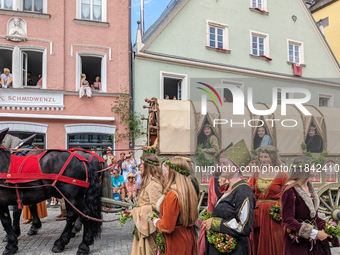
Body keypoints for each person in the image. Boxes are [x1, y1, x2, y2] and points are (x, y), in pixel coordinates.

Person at [202, 140, 255, 255]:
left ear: (236, 168)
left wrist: (215, 223)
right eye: (221, 164)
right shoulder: (229, 189)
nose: (221, 167)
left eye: (225, 164)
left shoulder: (243, 191)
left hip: (234, 250)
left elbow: (243, 227)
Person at [281, 156, 339, 254]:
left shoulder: (309, 188)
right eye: (313, 167)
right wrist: (314, 233)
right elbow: (287, 219)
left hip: (315, 244)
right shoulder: (290, 190)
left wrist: (327, 227)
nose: (316, 169)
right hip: (298, 243)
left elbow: (314, 217)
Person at [152, 157, 198, 255]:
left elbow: (167, 227)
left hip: (176, 240)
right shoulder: (189, 192)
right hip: (188, 235)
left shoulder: (172, 195)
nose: (165, 173)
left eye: (167, 170)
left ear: (174, 172)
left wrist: (156, 221)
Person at [248, 145, 289, 255]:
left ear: (272, 157)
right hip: (259, 213)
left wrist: (280, 208)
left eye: (266, 157)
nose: (263, 159)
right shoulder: (256, 173)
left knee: (276, 241)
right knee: (259, 241)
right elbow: (251, 193)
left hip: (274, 213)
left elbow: (287, 195)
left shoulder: (282, 174)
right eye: (261, 157)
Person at [130, 153, 164, 255]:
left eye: (142, 163)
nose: (140, 166)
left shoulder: (154, 185)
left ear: (148, 166)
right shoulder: (148, 182)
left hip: (150, 230)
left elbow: (157, 209)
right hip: (145, 226)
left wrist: (137, 211)